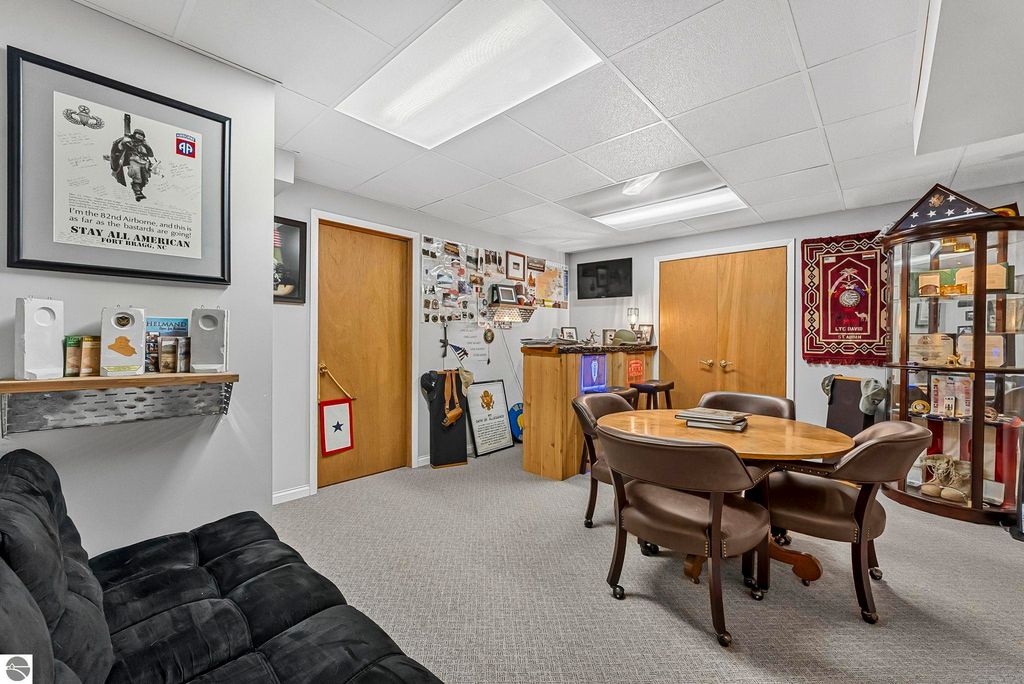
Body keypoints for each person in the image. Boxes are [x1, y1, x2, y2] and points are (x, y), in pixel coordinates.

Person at [106, 128, 155, 201]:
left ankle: (140, 191)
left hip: (144, 163)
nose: (140, 136)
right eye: (138, 134)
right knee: (136, 176)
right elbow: (119, 147)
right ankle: (137, 193)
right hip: (133, 160)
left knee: (144, 179)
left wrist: (146, 146)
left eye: (142, 135)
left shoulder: (144, 144)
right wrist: (125, 142)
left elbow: (151, 154)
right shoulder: (128, 141)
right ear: (135, 135)